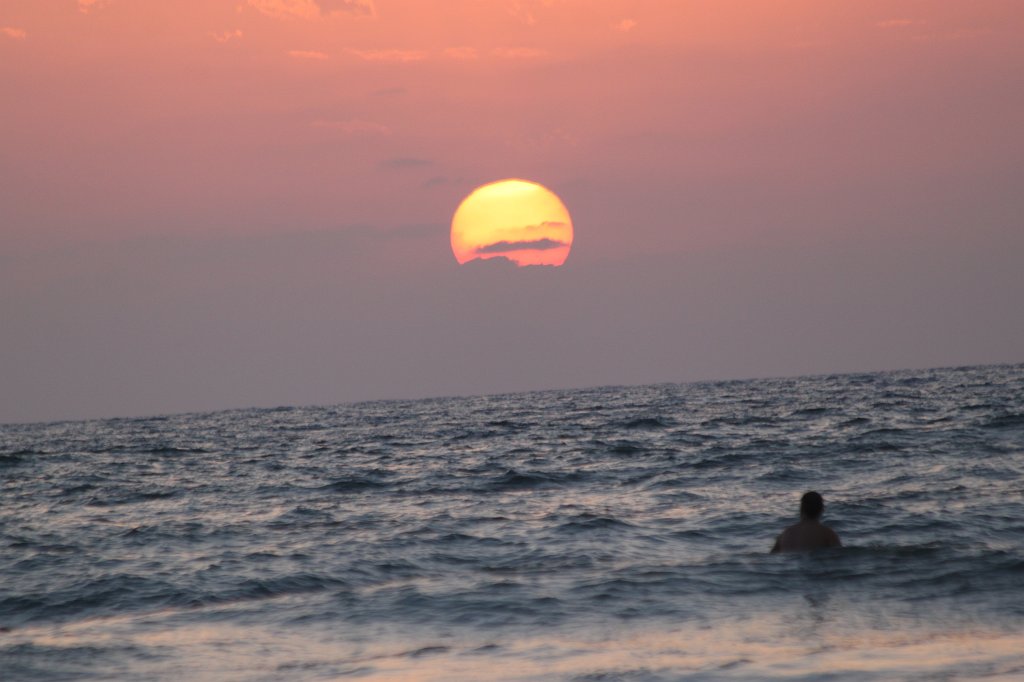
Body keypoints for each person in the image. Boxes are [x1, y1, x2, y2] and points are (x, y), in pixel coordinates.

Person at [770, 491, 841, 553]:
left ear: (801, 509)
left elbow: (771, 558)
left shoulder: (785, 534)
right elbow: (839, 558)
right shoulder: (828, 534)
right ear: (822, 509)